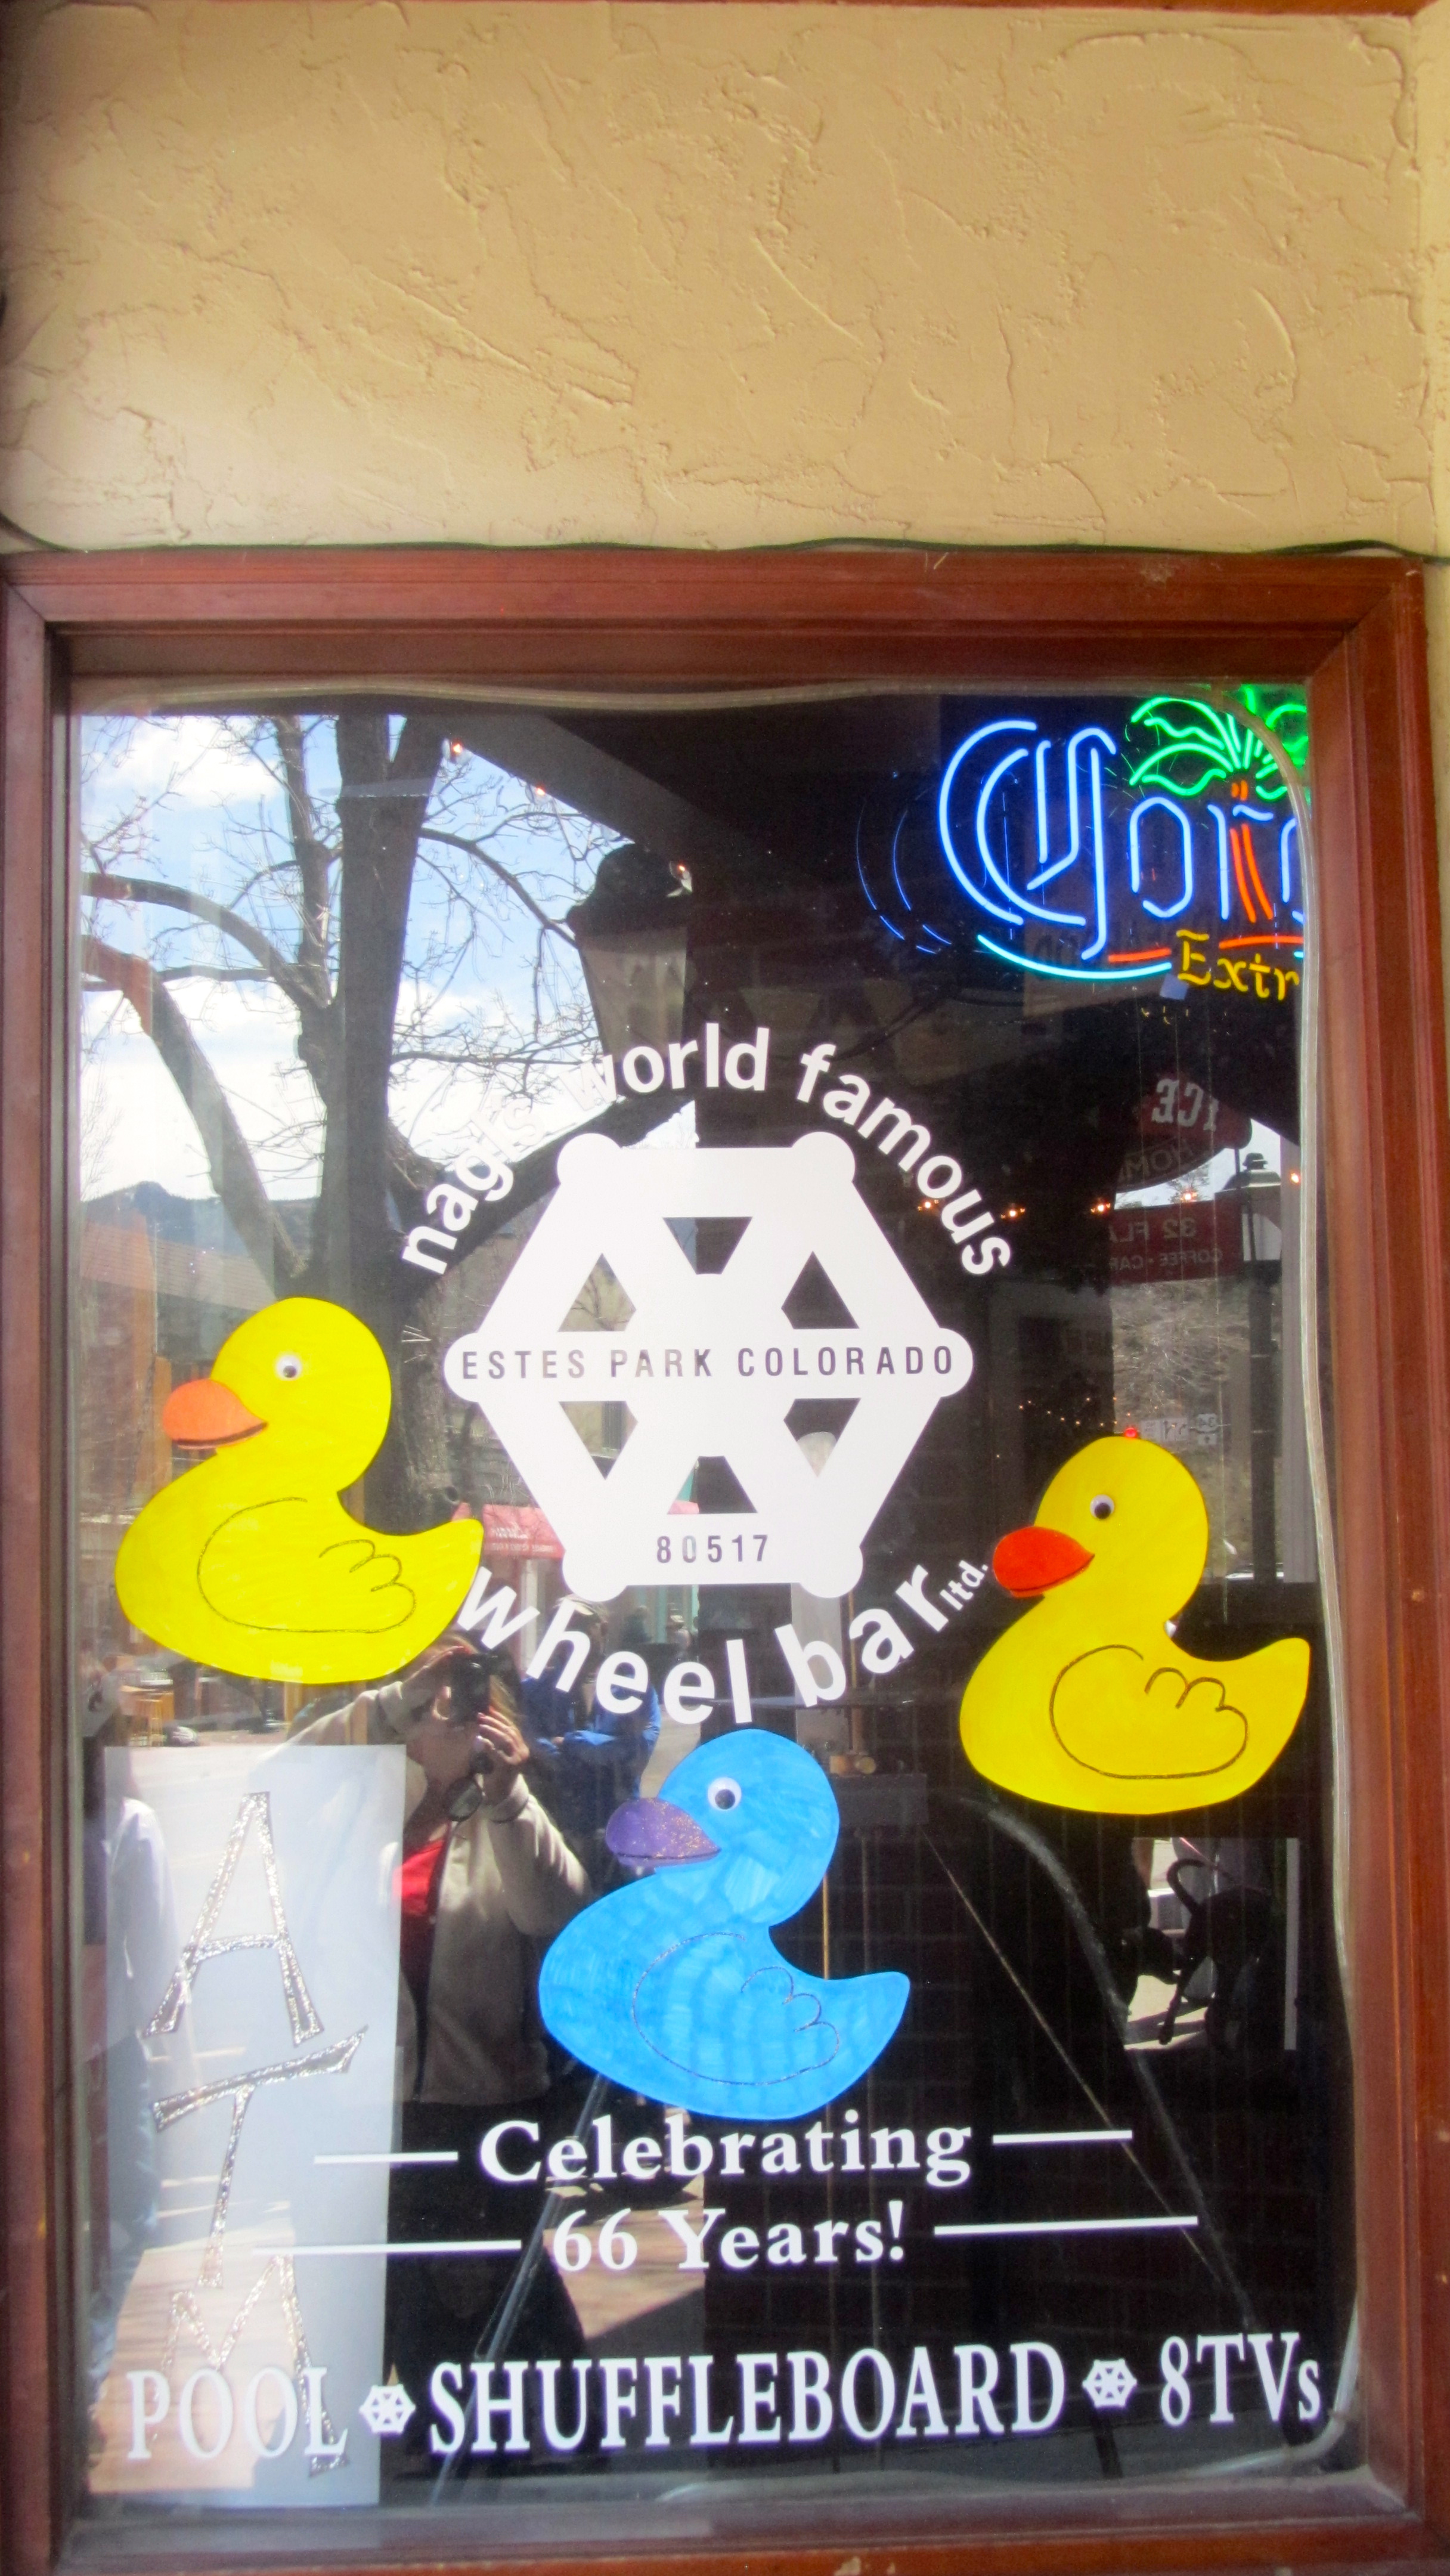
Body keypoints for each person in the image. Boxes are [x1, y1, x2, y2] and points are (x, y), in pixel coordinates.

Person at [293, 1639, 592, 2457]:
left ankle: (527, 2438)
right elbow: (276, 1779)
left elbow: (553, 1913)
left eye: (463, 1701)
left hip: (477, 2102)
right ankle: (368, 2441)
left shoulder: (510, 1809)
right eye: (429, 1703)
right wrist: (391, 1702)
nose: (444, 1718)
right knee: (364, 2282)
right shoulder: (357, 1800)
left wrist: (507, 1793)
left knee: (480, 2283)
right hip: (358, 2101)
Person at [520, 1608, 661, 1847]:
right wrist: (608, 1753)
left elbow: (640, 1751)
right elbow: (537, 1751)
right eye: (558, 1625)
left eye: (578, 1625)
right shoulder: (532, 1692)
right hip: (554, 1834)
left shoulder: (633, 1689)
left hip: (619, 1832)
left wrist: (571, 1744)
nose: (567, 1634)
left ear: (602, 1629)